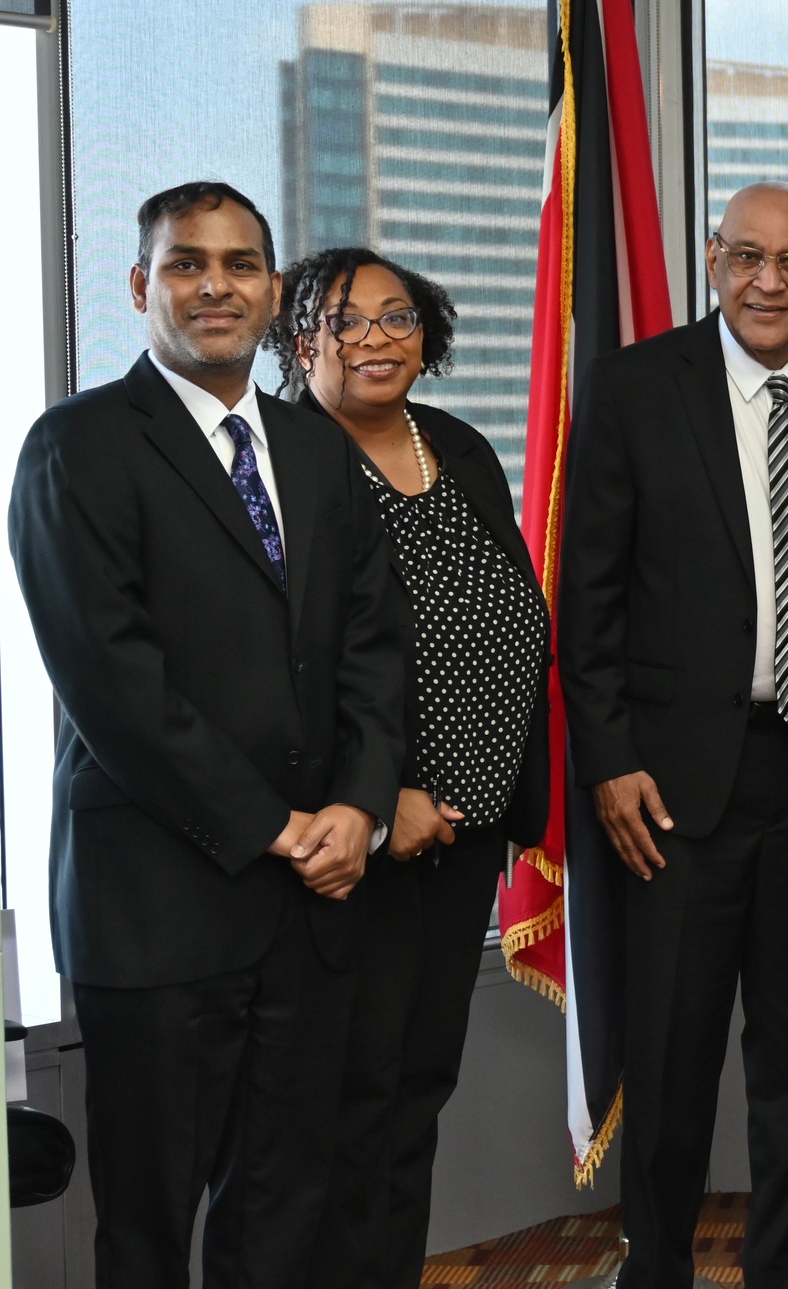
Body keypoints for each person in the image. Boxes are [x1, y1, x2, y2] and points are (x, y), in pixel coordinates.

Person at [7, 182, 408, 1287]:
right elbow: (112, 681)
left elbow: (374, 650)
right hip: (156, 904)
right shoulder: (75, 447)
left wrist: (361, 810)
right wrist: (276, 826)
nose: (217, 285)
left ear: (274, 293)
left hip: (313, 903)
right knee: (147, 1225)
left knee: (283, 1206)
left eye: (240, 264)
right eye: (189, 264)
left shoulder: (318, 451)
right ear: (143, 286)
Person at [558, 180, 788, 1287]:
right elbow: (589, 596)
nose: (770, 281)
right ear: (712, 258)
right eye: (748, 257)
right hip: (672, 790)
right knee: (668, 1070)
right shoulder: (632, 389)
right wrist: (610, 762)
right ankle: (653, 1271)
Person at [263, 247, 552, 1289]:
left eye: (398, 318)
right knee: (346, 1096)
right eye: (345, 321)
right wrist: (381, 799)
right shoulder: (282, 459)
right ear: (300, 341)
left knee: (416, 1085)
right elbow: (278, 663)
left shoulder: (458, 447)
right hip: (354, 838)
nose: (376, 338)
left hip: (464, 834)